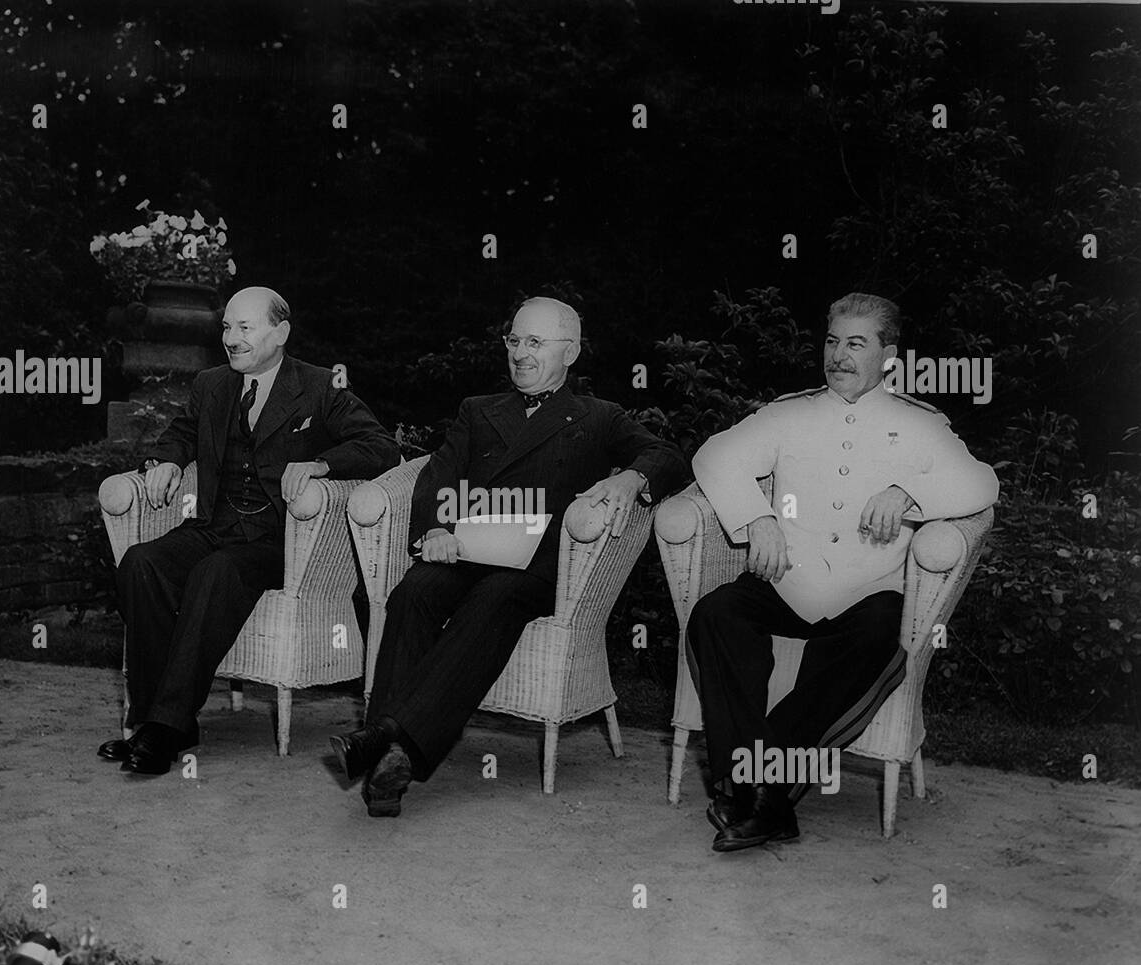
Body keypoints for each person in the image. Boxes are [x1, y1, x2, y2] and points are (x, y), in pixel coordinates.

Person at [328, 295, 687, 816]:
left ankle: (383, 740)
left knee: (496, 598)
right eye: (514, 340)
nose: (520, 353)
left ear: (571, 352)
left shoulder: (598, 416)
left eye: (535, 342)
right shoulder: (478, 410)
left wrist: (633, 478)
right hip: (469, 550)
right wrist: (435, 529)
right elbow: (438, 474)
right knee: (415, 591)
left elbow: (669, 456)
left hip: (536, 570)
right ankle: (391, 760)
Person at [688, 292, 999, 852]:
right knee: (717, 614)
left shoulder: (921, 424)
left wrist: (911, 493)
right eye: (832, 341)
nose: (838, 355)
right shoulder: (789, 412)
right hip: (787, 580)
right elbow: (713, 456)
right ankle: (758, 792)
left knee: (880, 635)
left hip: (865, 592)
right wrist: (756, 519)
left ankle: (755, 785)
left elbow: (983, 484)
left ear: (888, 356)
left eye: (856, 343)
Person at [104, 286, 400, 775]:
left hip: (280, 540)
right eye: (226, 327)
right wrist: (165, 461)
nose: (231, 339)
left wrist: (322, 464)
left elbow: (381, 447)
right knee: (142, 562)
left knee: (216, 572)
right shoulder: (211, 384)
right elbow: (180, 431)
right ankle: (152, 719)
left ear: (280, 332)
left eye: (245, 328)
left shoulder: (322, 386)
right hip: (215, 524)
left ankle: (166, 727)